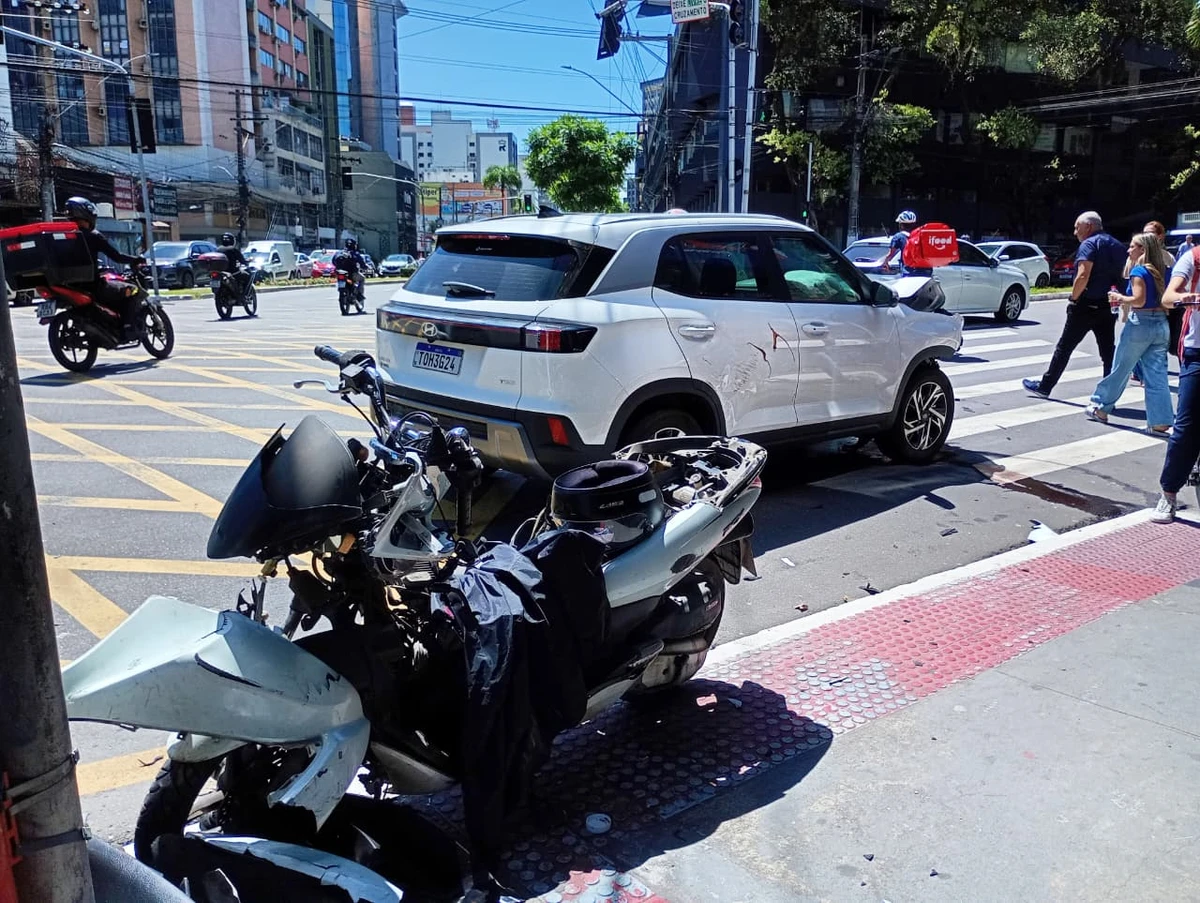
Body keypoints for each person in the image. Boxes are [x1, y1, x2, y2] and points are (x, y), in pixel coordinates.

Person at [1023, 211, 1126, 397]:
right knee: (1108, 351)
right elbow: (1124, 276)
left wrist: (1074, 298)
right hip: (1107, 304)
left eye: (1077, 227)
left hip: (1085, 304)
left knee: (1064, 347)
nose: (1075, 232)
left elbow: (1083, 274)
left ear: (1089, 226)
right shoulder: (1117, 245)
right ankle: (1108, 394)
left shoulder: (1089, 244)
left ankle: (1045, 386)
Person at [1084, 233, 1173, 432]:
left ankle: (1101, 407)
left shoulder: (1139, 271)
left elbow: (1139, 300)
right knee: (1157, 375)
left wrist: (1119, 297)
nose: (1128, 250)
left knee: (1121, 367)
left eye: (1133, 246)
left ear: (1143, 250)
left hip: (1140, 323)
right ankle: (1160, 421)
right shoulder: (1165, 271)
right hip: (1161, 324)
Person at [1151, 236, 1200, 522]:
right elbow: (1168, 297)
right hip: (1197, 352)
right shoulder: (1193, 258)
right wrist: (1190, 298)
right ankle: (1168, 494)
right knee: (1186, 426)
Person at [64, 196, 145, 325]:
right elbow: (116, 256)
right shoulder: (93, 236)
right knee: (132, 290)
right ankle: (127, 327)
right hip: (92, 286)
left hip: (68, 285)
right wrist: (136, 259)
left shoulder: (62, 236)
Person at [1128, 221, 1175, 386]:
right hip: (1137, 311)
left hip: (1156, 310)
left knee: (1123, 362)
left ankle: (1103, 402)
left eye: (1151, 233)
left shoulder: (1166, 258)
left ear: (1160, 236)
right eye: (1144, 232)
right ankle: (1142, 374)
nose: (1147, 236)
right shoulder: (1135, 257)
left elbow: (1171, 284)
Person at [216, 232, 251, 299]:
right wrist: (247, 262)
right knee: (248, 276)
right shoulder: (233, 250)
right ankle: (244, 295)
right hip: (233, 272)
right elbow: (242, 260)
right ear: (232, 241)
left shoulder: (218, 249)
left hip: (221, 272)